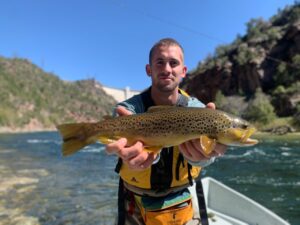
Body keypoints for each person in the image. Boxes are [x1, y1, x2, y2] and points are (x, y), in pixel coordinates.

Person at [106, 38, 227, 225]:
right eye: (160, 62)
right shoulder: (129, 109)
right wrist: (144, 154)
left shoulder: (198, 110)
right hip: (133, 200)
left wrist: (202, 157)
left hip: (180, 199)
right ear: (149, 69)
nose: (167, 69)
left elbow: (206, 157)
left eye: (174, 63)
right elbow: (119, 140)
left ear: (183, 71)